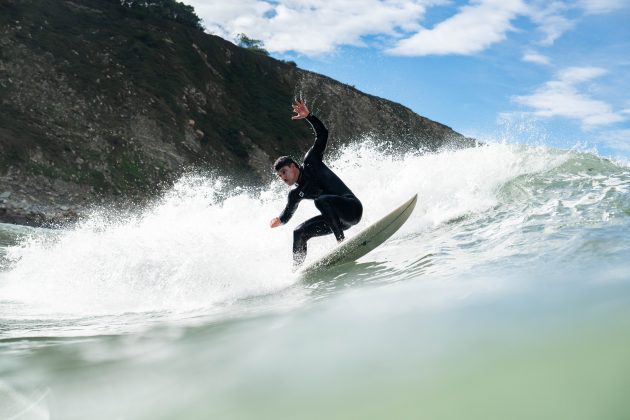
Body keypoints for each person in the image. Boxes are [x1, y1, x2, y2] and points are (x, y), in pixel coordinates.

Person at [270, 100, 363, 266]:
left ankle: (341, 242)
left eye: (284, 172)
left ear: (293, 166)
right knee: (299, 232)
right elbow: (287, 213)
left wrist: (309, 117)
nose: (283, 178)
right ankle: (297, 269)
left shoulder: (311, 161)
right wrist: (279, 220)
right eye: (279, 176)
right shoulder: (295, 194)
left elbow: (323, 134)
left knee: (322, 200)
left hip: (352, 209)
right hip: (338, 221)